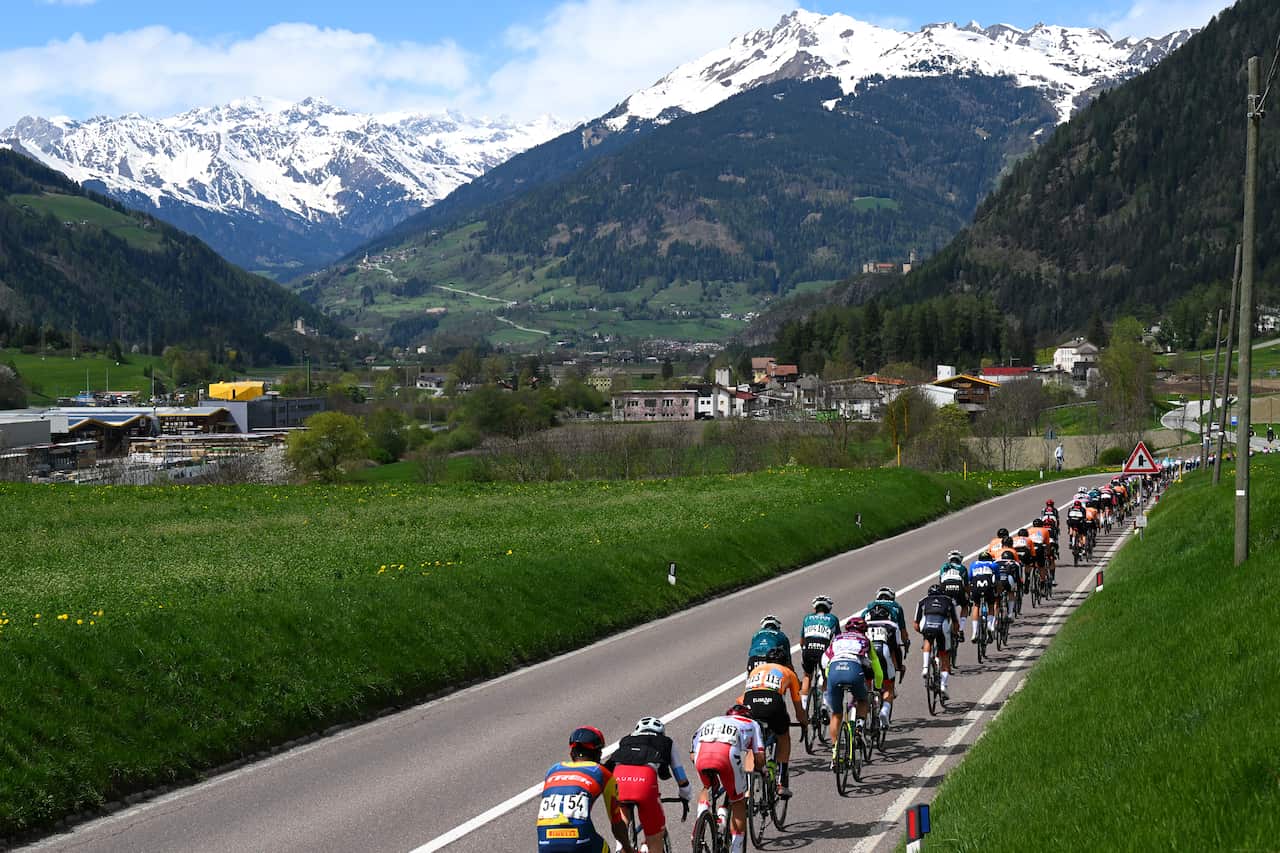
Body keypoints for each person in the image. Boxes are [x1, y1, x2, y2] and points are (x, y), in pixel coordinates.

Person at [538, 726, 637, 853]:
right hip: (577, 838)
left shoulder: (553, 770)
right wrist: (628, 849)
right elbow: (616, 822)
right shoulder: (602, 773)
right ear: (598, 754)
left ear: (571, 753)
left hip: (545, 838)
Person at [691, 704, 765, 853]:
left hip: (702, 755)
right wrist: (759, 770)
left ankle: (700, 822)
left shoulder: (711, 721)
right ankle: (736, 848)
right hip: (727, 754)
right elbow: (759, 757)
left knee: (709, 786)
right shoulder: (752, 723)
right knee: (738, 800)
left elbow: (692, 754)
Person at [610, 717, 691, 853]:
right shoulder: (666, 742)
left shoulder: (625, 740)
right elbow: (680, 775)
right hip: (644, 782)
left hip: (619, 780)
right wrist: (685, 795)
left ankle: (620, 846)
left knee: (623, 814)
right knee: (655, 838)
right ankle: (648, 847)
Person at [740, 646, 804, 798]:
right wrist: (804, 723)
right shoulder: (788, 672)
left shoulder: (756, 670)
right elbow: (798, 705)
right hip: (773, 702)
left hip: (750, 704)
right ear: (786, 663)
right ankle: (782, 783)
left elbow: (744, 696)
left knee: (752, 745)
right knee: (783, 736)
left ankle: (748, 789)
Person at [822, 615, 883, 754]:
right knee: (863, 699)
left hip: (834, 672)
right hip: (853, 670)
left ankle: (835, 751)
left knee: (836, 714)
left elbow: (825, 661)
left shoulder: (837, 638)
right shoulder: (865, 640)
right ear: (864, 630)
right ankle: (859, 728)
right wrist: (878, 687)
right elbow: (877, 668)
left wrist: (829, 677)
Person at [860, 598, 904, 727]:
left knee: (867, 684)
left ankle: (865, 709)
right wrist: (899, 666)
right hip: (883, 652)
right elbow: (896, 649)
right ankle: (884, 710)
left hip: (866, 655)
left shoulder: (864, 624)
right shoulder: (891, 625)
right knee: (889, 686)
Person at [914, 583, 961, 699]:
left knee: (927, 641)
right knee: (945, 657)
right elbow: (955, 622)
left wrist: (923, 634)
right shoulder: (948, 600)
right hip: (942, 626)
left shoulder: (922, 601)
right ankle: (943, 686)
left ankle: (925, 668)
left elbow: (915, 623)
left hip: (927, 624)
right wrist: (955, 633)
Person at [798, 595, 841, 714]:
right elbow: (838, 640)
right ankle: (825, 705)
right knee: (827, 676)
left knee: (807, 676)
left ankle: (803, 705)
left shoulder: (807, 618)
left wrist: (805, 651)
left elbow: (802, 641)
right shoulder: (833, 618)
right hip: (823, 650)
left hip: (808, 649)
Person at [938, 551, 970, 650]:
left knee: (945, 608)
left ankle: (943, 627)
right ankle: (960, 629)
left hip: (945, 586)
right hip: (958, 586)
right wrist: (968, 597)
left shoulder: (944, 567)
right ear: (959, 559)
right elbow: (966, 586)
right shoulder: (962, 568)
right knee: (965, 606)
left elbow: (940, 582)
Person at [967, 555, 1000, 642]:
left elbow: (969, 579)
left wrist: (970, 593)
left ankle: (974, 633)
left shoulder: (973, 564)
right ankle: (990, 625)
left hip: (976, 587)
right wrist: (998, 593)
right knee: (991, 604)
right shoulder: (994, 564)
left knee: (976, 605)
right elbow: (997, 581)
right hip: (988, 587)